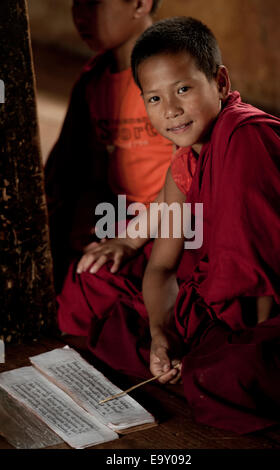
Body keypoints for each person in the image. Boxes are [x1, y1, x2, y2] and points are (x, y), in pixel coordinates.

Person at [66, 16, 280, 434]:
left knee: (224, 376)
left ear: (221, 82)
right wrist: (162, 334)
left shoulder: (246, 138)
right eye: (153, 99)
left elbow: (264, 278)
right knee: (91, 280)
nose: (170, 110)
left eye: (183, 89)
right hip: (212, 298)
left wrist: (225, 343)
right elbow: (162, 266)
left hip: (271, 311)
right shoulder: (184, 160)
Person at [44, 0, 171, 293]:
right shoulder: (94, 81)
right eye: (76, 2)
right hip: (120, 216)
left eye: (93, 2)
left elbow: (193, 168)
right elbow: (84, 166)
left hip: (176, 218)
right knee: (79, 268)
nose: (80, 15)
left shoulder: (174, 73)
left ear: (140, 4)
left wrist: (131, 236)